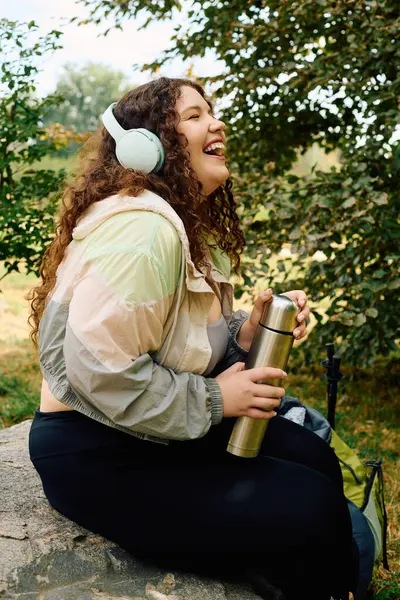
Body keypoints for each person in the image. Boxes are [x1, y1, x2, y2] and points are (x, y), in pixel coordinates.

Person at [28, 77, 358, 600]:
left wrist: (247, 332)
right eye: (194, 116)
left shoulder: (178, 225)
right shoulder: (143, 232)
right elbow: (99, 372)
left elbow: (178, 343)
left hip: (149, 425)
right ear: (148, 144)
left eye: (213, 112)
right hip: (96, 447)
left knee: (312, 457)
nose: (216, 123)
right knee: (309, 505)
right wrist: (216, 400)